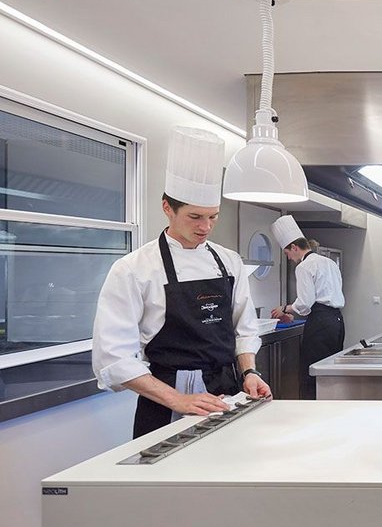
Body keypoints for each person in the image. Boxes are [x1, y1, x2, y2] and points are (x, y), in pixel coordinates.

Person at [92, 127, 271, 438]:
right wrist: (179, 399)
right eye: (195, 217)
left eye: (213, 217)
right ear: (167, 208)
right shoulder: (134, 269)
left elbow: (244, 327)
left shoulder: (228, 262)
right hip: (165, 402)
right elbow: (112, 357)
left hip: (227, 392)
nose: (206, 227)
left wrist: (249, 371)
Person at [270, 215, 345, 399]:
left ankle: (313, 414)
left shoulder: (304, 267)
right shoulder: (328, 262)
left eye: (287, 253)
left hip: (320, 324)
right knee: (329, 372)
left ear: (294, 247)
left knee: (313, 373)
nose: (289, 258)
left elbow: (304, 303)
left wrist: (285, 308)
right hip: (337, 322)